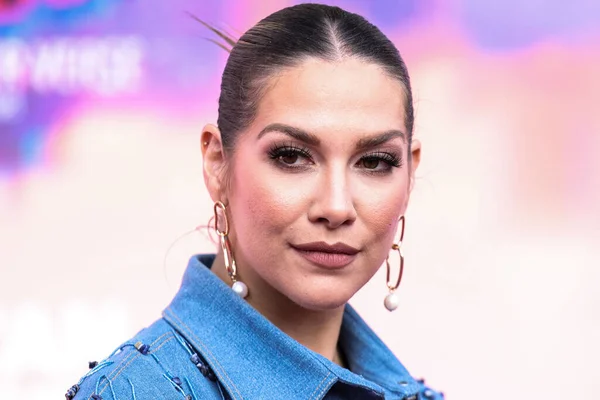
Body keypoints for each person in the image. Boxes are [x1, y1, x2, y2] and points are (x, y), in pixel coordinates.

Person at [66, 3, 444, 399]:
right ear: (217, 163)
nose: (336, 207)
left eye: (374, 161)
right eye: (292, 156)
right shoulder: (133, 392)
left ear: (410, 173)